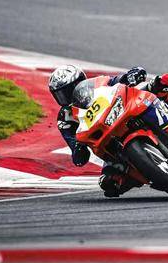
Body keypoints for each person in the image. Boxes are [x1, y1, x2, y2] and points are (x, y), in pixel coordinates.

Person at [48, 64, 147, 197]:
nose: (66, 96)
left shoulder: (97, 83)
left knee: (158, 86)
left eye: (68, 90)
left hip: (124, 116)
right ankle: (149, 174)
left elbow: (117, 80)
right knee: (108, 183)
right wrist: (78, 148)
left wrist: (130, 76)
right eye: (60, 94)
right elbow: (77, 156)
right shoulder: (65, 118)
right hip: (109, 144)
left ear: (80, 82)